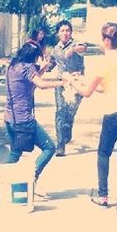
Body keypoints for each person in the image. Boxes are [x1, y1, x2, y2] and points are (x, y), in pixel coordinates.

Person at [68, 22, 117, 211]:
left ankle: (102, 196)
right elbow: (107, 86)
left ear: (105, 40)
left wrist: (70, 80)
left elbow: (86, 93)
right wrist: (84, 81)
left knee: (103, 153)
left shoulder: (104, 61)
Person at [2, 40, 65, 197]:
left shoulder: (12, 67)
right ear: (34, 57)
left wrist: (42, 68)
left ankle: (3, 186)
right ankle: (32, 179)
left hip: (10, 119)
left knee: (15, 152)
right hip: (24, 120)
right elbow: (41, 84)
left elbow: (29, 83)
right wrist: (63, 82)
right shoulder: (27, 68)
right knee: (49, 147)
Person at [50, 19, 86, 156]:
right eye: (62, 31)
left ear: (71, 32)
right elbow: (52, 63)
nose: (65, 33)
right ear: (58, 33)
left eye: (67, 30)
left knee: (70, 111)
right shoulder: (55, 49)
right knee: (60, 111)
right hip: (61, 83)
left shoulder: (76, 43)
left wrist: (72, 49)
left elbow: (83, 48)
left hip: (77, 83)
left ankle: (67, 129)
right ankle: (60, 145)